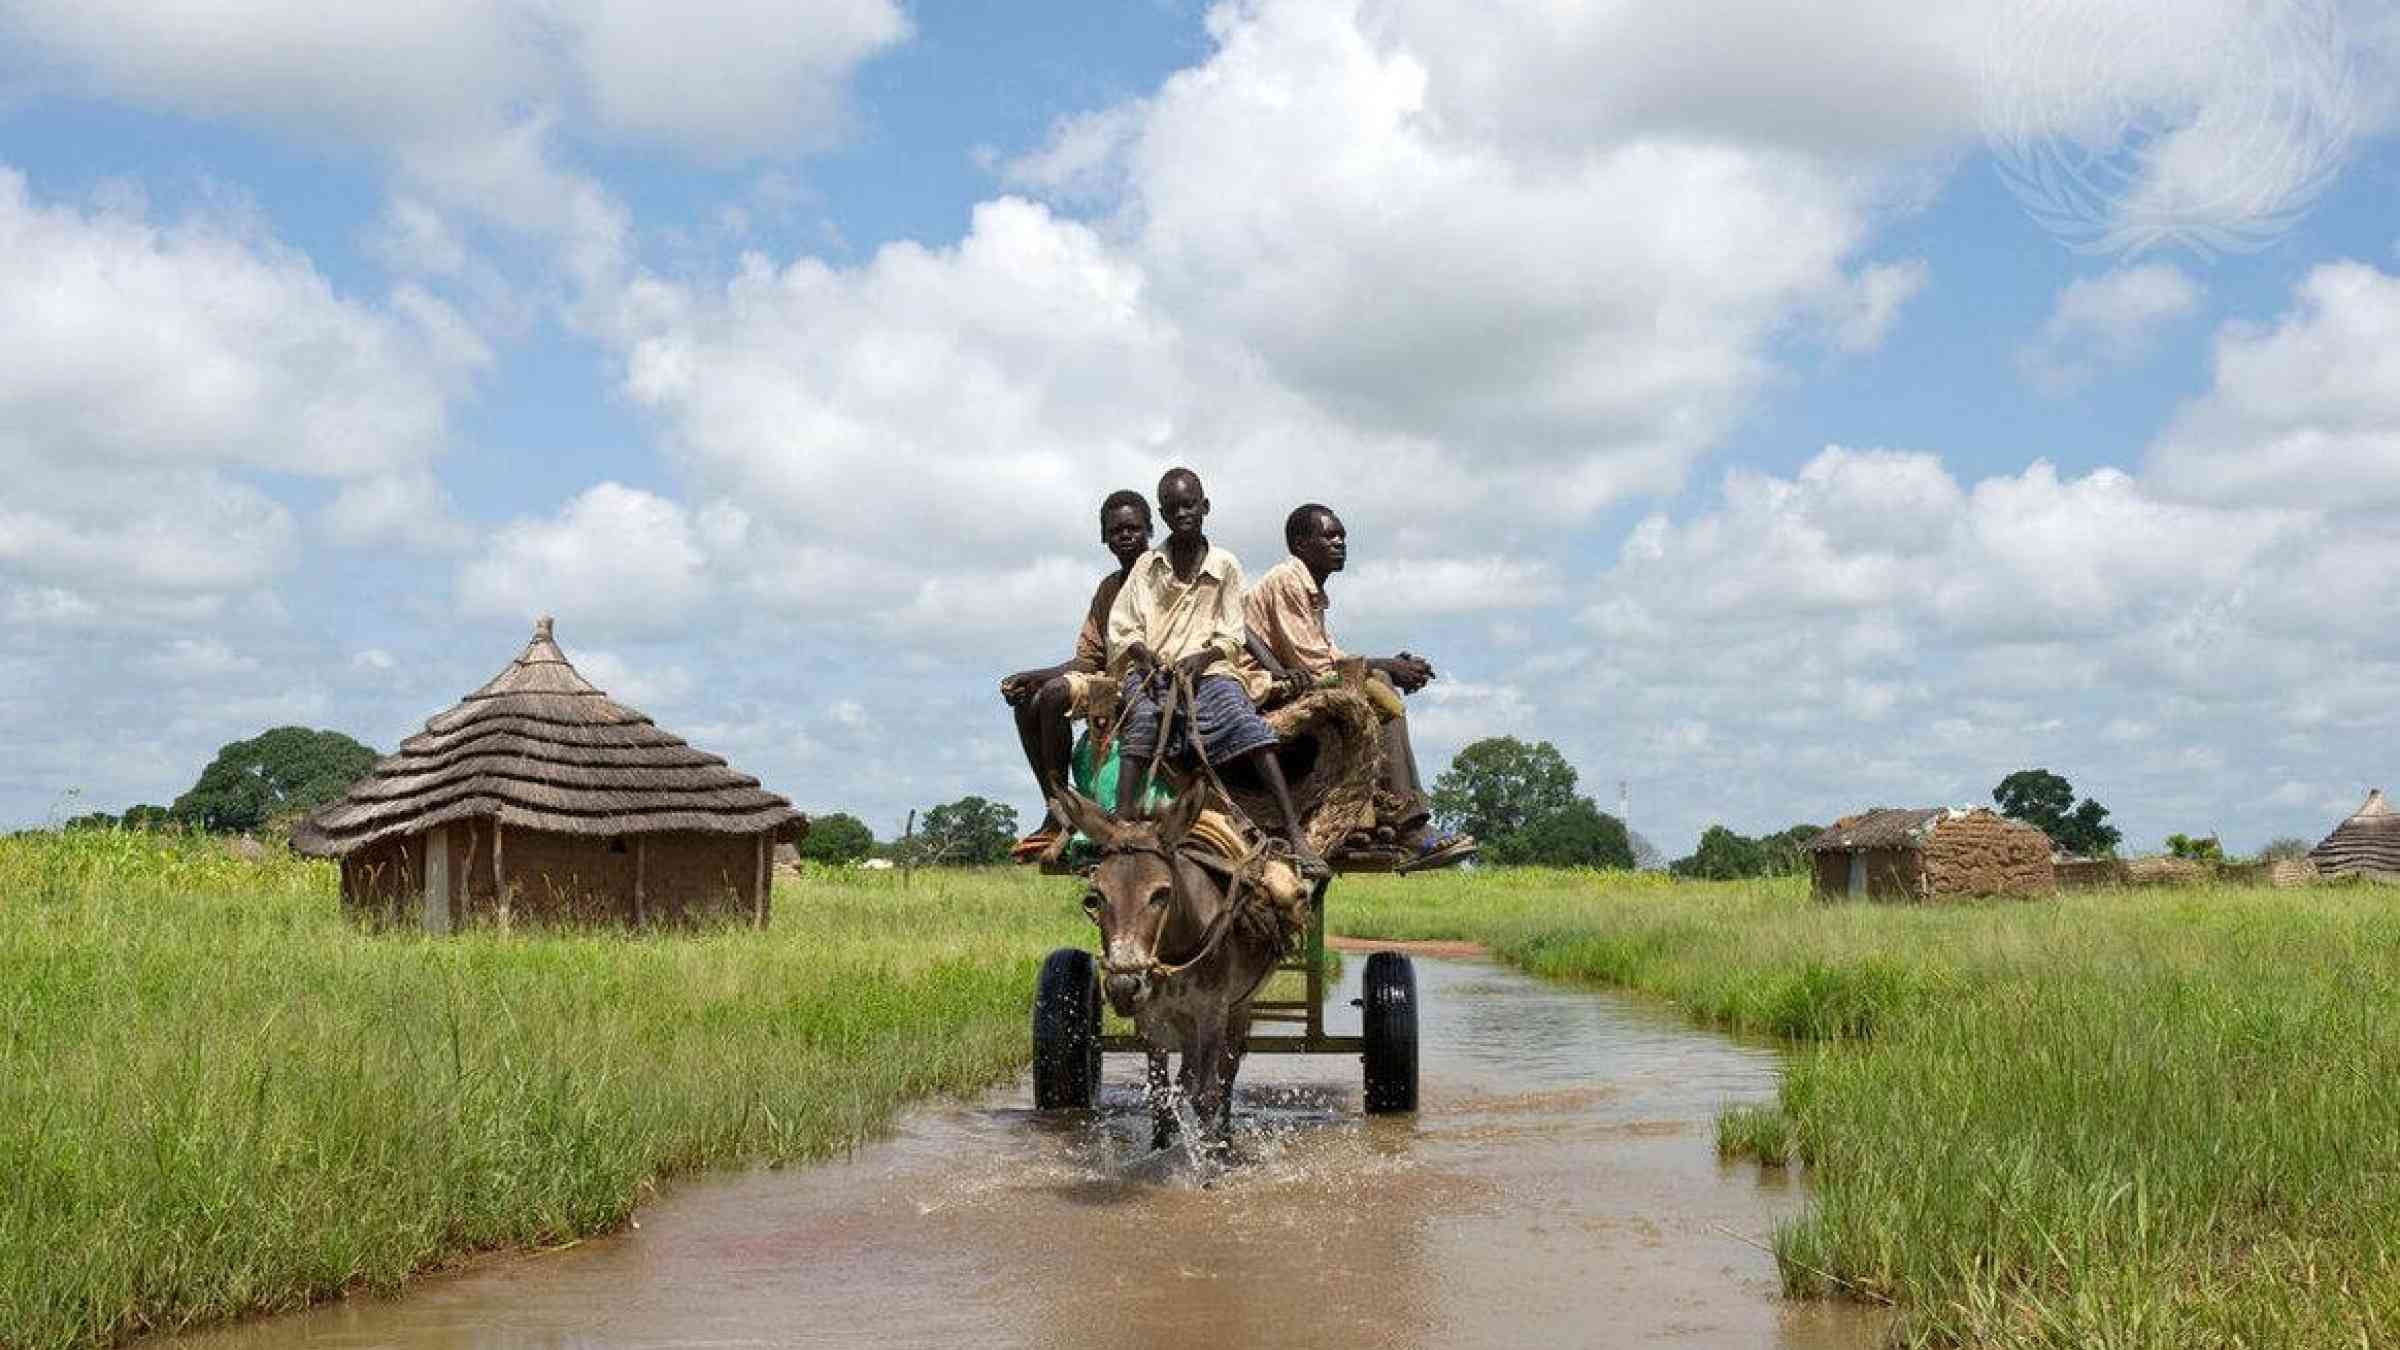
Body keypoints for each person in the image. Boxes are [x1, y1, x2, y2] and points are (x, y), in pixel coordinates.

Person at [1107, 467, 1319, 869]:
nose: (1182, 513)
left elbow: (1232, 634)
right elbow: (1124, 627)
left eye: (1189, 505)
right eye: (1172, 508)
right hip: (1154, 671)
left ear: (1205, 507)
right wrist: (1143, 654)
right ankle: (1121, 829)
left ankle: (1294, 833)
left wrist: (1201, 659)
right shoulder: (1147, 566)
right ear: (1163, 515)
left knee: (1244, 723)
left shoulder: (1226, 565)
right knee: (1144, 720)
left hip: (1212, 671)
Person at [1244, 503, 1476, 868]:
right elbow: (1313, 663)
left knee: (1380, 681)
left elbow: (1332, 656)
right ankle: (1408, 822)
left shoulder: (1312, 594)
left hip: (1293, 687)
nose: (1339, 542)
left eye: (1342, 536)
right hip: (1263, 697)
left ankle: (1389, 811)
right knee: (1378, 682)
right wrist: (1387, 667)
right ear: (1301, 544)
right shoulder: (1287, 580)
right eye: (1329, 535)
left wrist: (1392, 665)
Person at [1000, 490, 1154, 861]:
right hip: (1106, 681)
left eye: (1133, 528)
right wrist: (1031, 676)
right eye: (1116, 530)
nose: (1126, 536)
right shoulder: (1108, 588)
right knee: (1033, 697)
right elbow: (1088, 659)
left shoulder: (1160, 577)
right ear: (1104, 537)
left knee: (1053, 694)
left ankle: (1068, 806)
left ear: (1150, 529)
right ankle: (1056, 805)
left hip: (1147, 683)